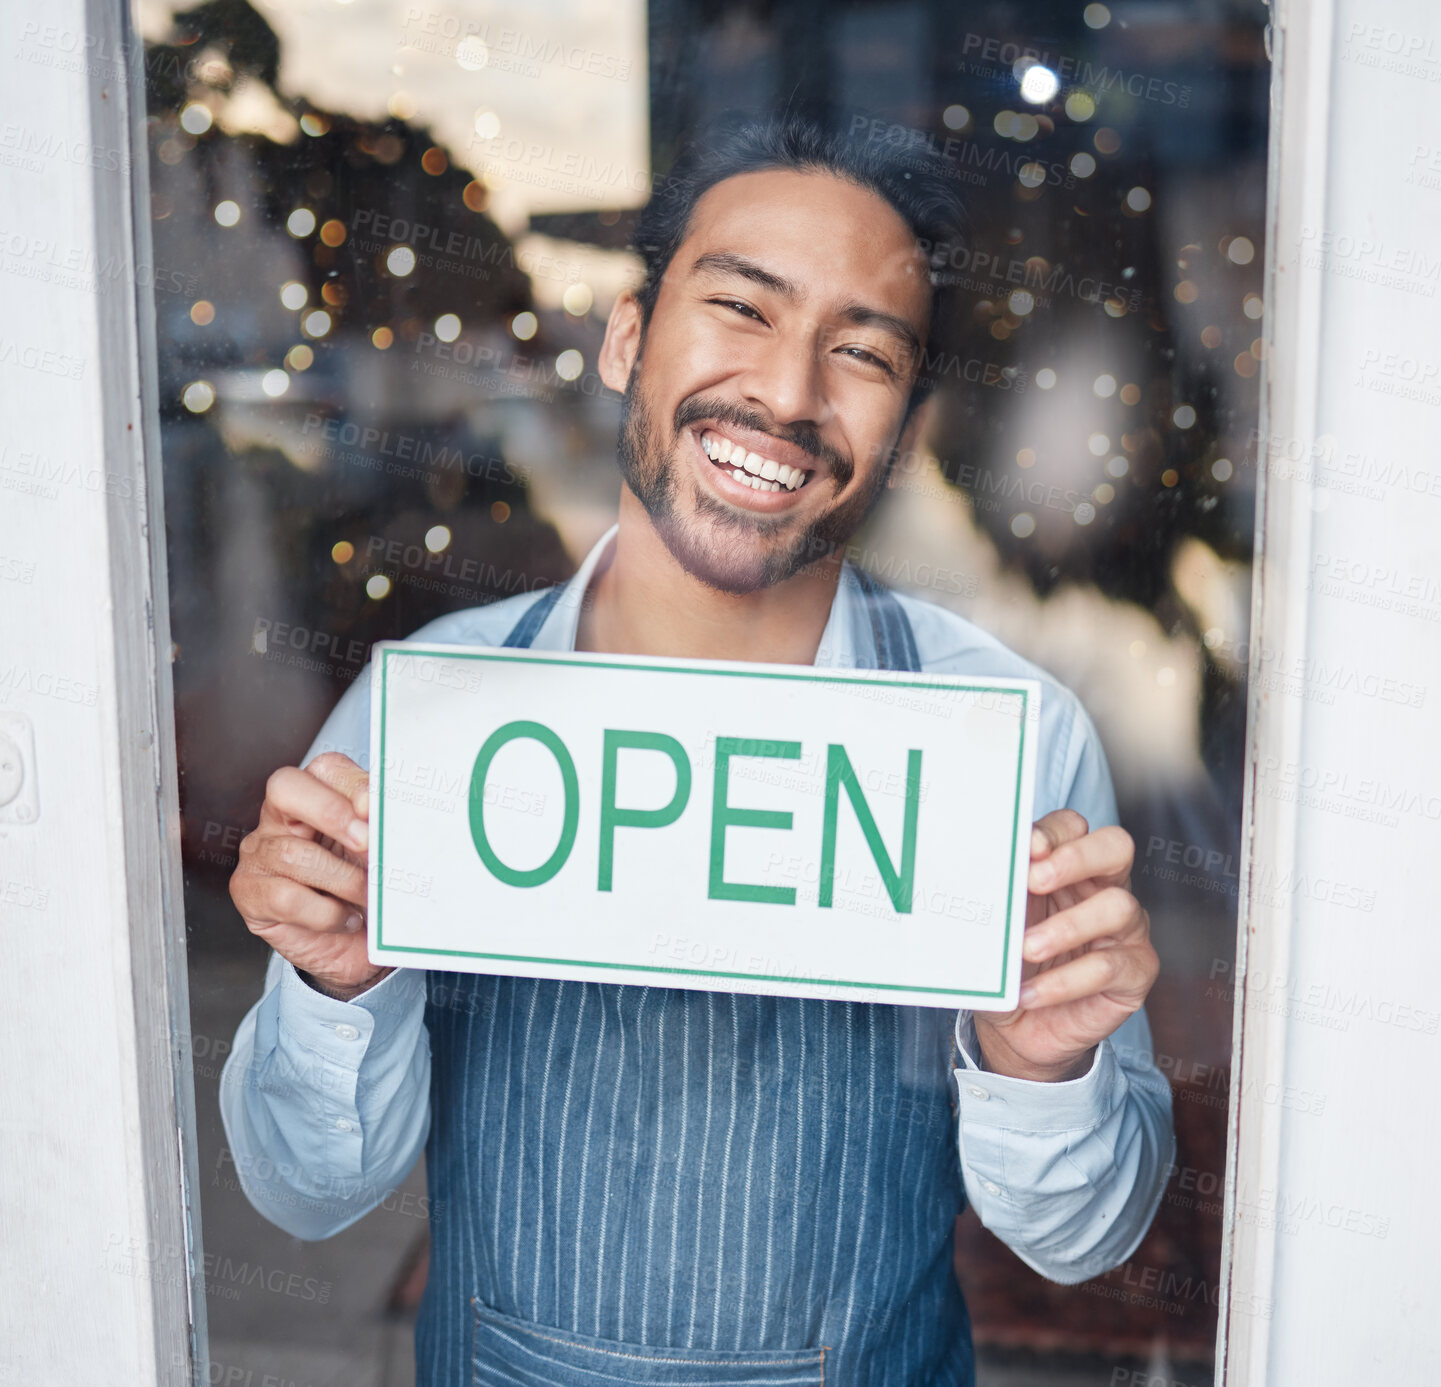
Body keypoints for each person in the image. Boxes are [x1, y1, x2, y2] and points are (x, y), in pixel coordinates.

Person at [222, 118, 1173, 1386]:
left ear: (906, 422)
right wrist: (337, 990)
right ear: (627, 335)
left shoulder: (1006, 739)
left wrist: (1040, 1061)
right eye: (740, 307)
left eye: (862, 352)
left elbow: (1079, 1240)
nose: (787, 396)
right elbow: (303, 1194)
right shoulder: (429, 712)